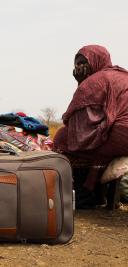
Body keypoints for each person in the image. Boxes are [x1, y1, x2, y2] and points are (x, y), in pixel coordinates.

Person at [54, 45, 128, 206]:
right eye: (76, 64)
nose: (79, 67)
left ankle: (86, 192)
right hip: (121, 132)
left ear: (96, 62)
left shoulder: (94, 81)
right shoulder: (122, 74)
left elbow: (75, 121)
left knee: (62, 138)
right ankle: (97, 192)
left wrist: (82, 83)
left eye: (82, 63)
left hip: (123, 135)